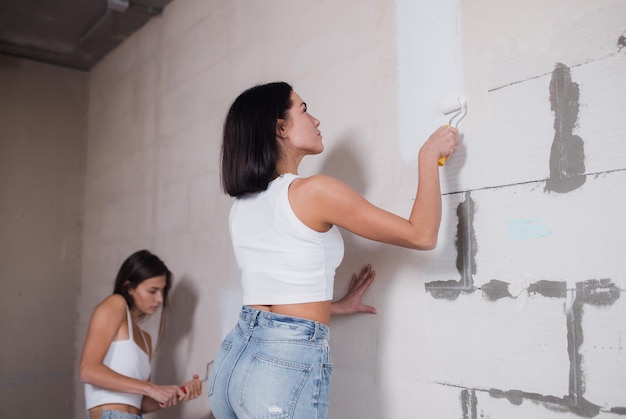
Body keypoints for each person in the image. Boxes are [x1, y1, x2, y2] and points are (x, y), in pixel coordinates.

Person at [208, 82, 459, 418]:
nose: (316, 120)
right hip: (282, 366)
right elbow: (422, 235)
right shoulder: (314, 192)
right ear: (280, 128)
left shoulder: (242, 206)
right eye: (303, 109)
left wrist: (335, 306)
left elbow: (276, 288)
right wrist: (428, 156)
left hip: (234, 358)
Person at [79, 249, 203, 419]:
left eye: (162, 291)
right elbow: (88, 370)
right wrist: (151, 388)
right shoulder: (116, 304)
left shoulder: (146, 339)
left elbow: (140, 404)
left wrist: (177, 393)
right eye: (153, 291)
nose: (160, 299)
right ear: (129, 287)